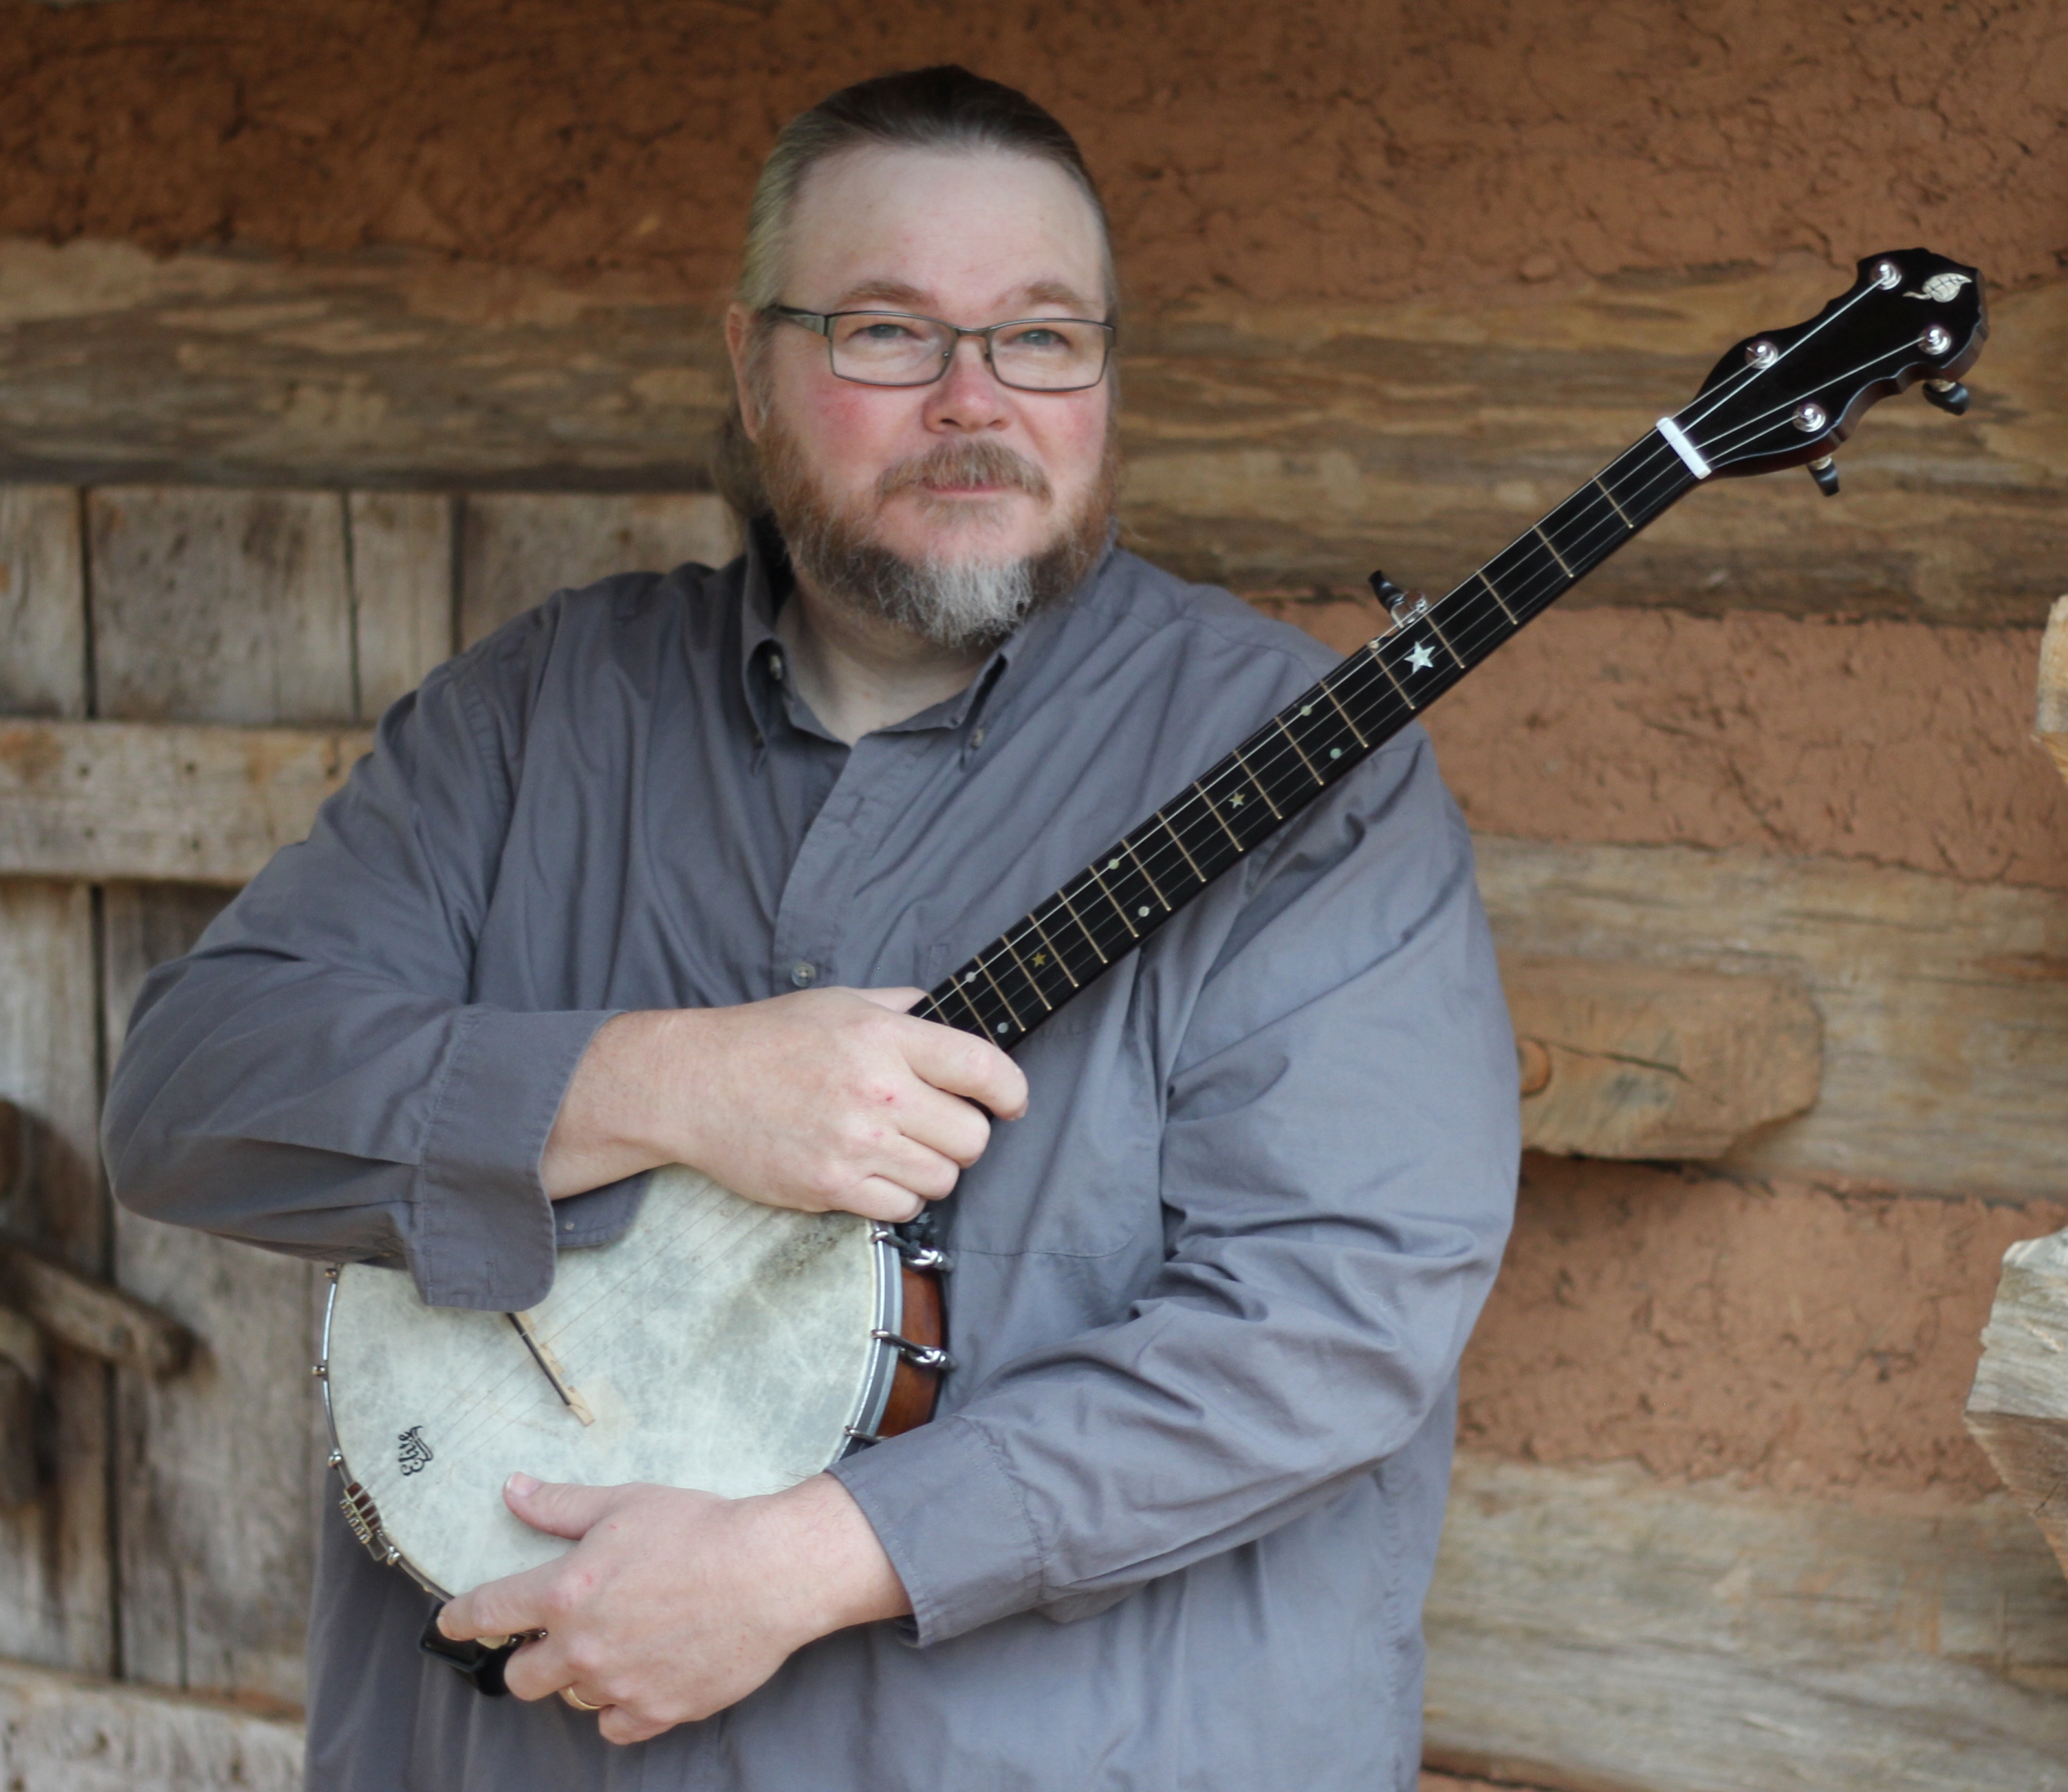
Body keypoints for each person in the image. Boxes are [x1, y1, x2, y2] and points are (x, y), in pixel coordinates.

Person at [103, 65, 1517, 1792]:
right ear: (750, 363)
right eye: (884, 332)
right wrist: (659, 1086)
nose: (971, 402)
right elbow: (191, 1094)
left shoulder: (1304, 769)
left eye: (1043, 338)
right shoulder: (541, 711)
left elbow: (1332, 1314)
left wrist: (802, 1561)